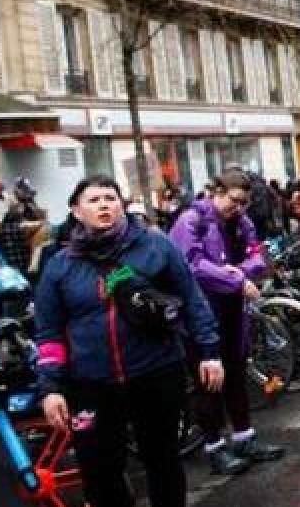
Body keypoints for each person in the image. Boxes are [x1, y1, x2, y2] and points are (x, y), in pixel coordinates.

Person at [34, 176, 223, 507]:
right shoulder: (59, 265)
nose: (104, 205)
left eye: (111, 197)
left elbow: (192, 299)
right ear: (76, 211)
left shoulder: (155, 245)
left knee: (162, 460)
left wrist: (209, 352)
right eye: (93, 200)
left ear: (122, 205)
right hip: (90, 385)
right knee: (99, 471)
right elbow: (49, 332)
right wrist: (50, 388)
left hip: (156, 372)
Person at [169, 170, 285, 475]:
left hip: (233, 309)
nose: (240, 208)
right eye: (234, 200)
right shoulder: (191, 222)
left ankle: (245, 438)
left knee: (236, 373)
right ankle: (215, 448)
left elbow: (257, 255)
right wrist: (234, 278)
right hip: (200, 313)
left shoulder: (241, 222)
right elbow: (190, 266)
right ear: (216, 191)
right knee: (208, 382)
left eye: (244, 202)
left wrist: (239, 273)